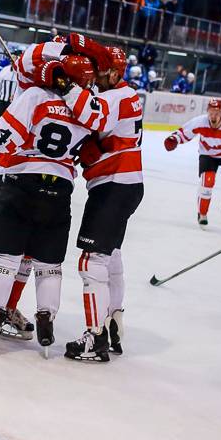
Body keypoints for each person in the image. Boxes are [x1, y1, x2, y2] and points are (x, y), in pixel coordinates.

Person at [0, 56, 94, 354]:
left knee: (4, 258)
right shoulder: (89, 109)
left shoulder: (35, 96)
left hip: (21, 184)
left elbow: (4, 140)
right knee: (49, 264)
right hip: (60, 190)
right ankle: (47, 318)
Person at [58, 38, 145, 362]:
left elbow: (95, 120)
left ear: (114, 73)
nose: (97, 76)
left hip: (113, 185)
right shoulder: (124, 93)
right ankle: (112, 323)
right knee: (110, 258)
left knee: (91, 261)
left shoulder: (116, 97)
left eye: (103, 71)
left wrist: (67, 89)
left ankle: (95, 338)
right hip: (126, 184)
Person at [164, 99, 221, 226]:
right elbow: (184, 132)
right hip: (208, 155)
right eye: (211, 112)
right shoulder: (200, 122)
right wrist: (174, 139)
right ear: (207, 111)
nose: (213, 115)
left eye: (217, 112)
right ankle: (202, 213)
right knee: (207, 180)